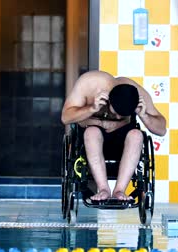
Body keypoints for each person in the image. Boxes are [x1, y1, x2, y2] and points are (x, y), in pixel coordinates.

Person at [61, 71, 166, 201]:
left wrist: (144, 116)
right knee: (92, 132)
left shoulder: (138, 94)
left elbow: (162, 130)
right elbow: (65, 117)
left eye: (122, 116)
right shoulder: (88, 84)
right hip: (91, 140)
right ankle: (103, 189)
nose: (117, 118)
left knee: (136, 135)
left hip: (122, 143)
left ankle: (120, 190)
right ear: (109, 100)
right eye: (115, 113)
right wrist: (92, 109)